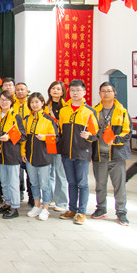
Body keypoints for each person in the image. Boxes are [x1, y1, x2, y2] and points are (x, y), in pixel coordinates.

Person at [58, 79, 99, 225]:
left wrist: (90, 136)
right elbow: (61, 131)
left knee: (82, 183)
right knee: (71, 182)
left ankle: (82, 212)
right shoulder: (64, 111)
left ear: (84, 92)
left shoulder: (89, 111)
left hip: (82, 152)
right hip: (67, 153)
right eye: (72, 90)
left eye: (78, 90)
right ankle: (72, 209)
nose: (75, 93)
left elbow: (96, 133)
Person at [92, 82, 132, 226]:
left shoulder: (122, 111)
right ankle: (101, 208)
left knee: (119, 185)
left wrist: (115, 140)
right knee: (100, 184)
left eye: (109, 91)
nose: (106, 94)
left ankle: (121, 212)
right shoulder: (95, 111)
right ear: (99, 94)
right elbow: (92, 132)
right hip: (99, 154)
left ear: (115, 93)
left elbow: (127, 132)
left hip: (116, 155)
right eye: (103, 91)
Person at [23, 92, 58, 221]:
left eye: (37, 102)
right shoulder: (27, 119)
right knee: (34, 183)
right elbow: (24, 139)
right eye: (32, 102)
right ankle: (36, 205)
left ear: (42, 103)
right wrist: (23, 153)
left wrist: (45, 138)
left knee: (45, 184)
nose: (34, 104)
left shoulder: (49, 120)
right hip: (30, 157)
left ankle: (46, 208)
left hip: (44, 157)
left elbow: (56, 138)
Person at [0, 90, 26, 219]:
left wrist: (9, 136)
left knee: (13, 181)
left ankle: (15, 206)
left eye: (7, 100)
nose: (4, 102)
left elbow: (23, 135)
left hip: (12, 154)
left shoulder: (15, 116)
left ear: (11, 102)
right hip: (1, 154)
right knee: (4, 182)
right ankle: (7, 203)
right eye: (2, 100)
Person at [45, 80, 69, 212]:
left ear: (62, 92)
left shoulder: (66, 108)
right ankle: (49, 199)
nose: (55, 91)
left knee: (60, 173)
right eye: (53, 88)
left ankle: (62, 201)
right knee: (48, 173)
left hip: (61, 144)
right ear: (49, 91)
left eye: (58, 89)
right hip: (48, 142)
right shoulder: (44, 106)